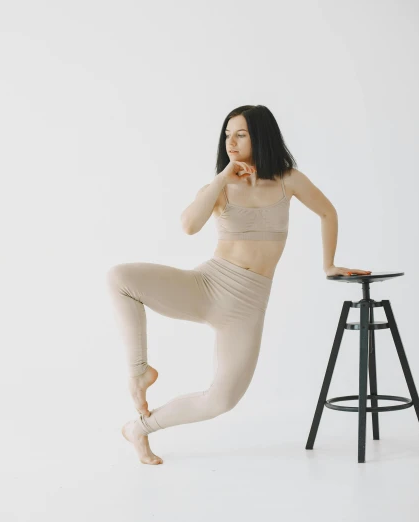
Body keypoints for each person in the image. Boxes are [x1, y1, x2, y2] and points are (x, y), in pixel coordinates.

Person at [106, 105, 372, 465]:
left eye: (241, 134)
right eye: (227, 134)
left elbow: (328, 212)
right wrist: (220, 179)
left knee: (222, 400)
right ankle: (139, 372)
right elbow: (188, 226)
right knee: (120, 278)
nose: (231, 141)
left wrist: (328, 265)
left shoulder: (288, 179)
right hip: (206, 286)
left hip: (247, 307)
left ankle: (139, 429)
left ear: (260, 135)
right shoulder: (220, 187)